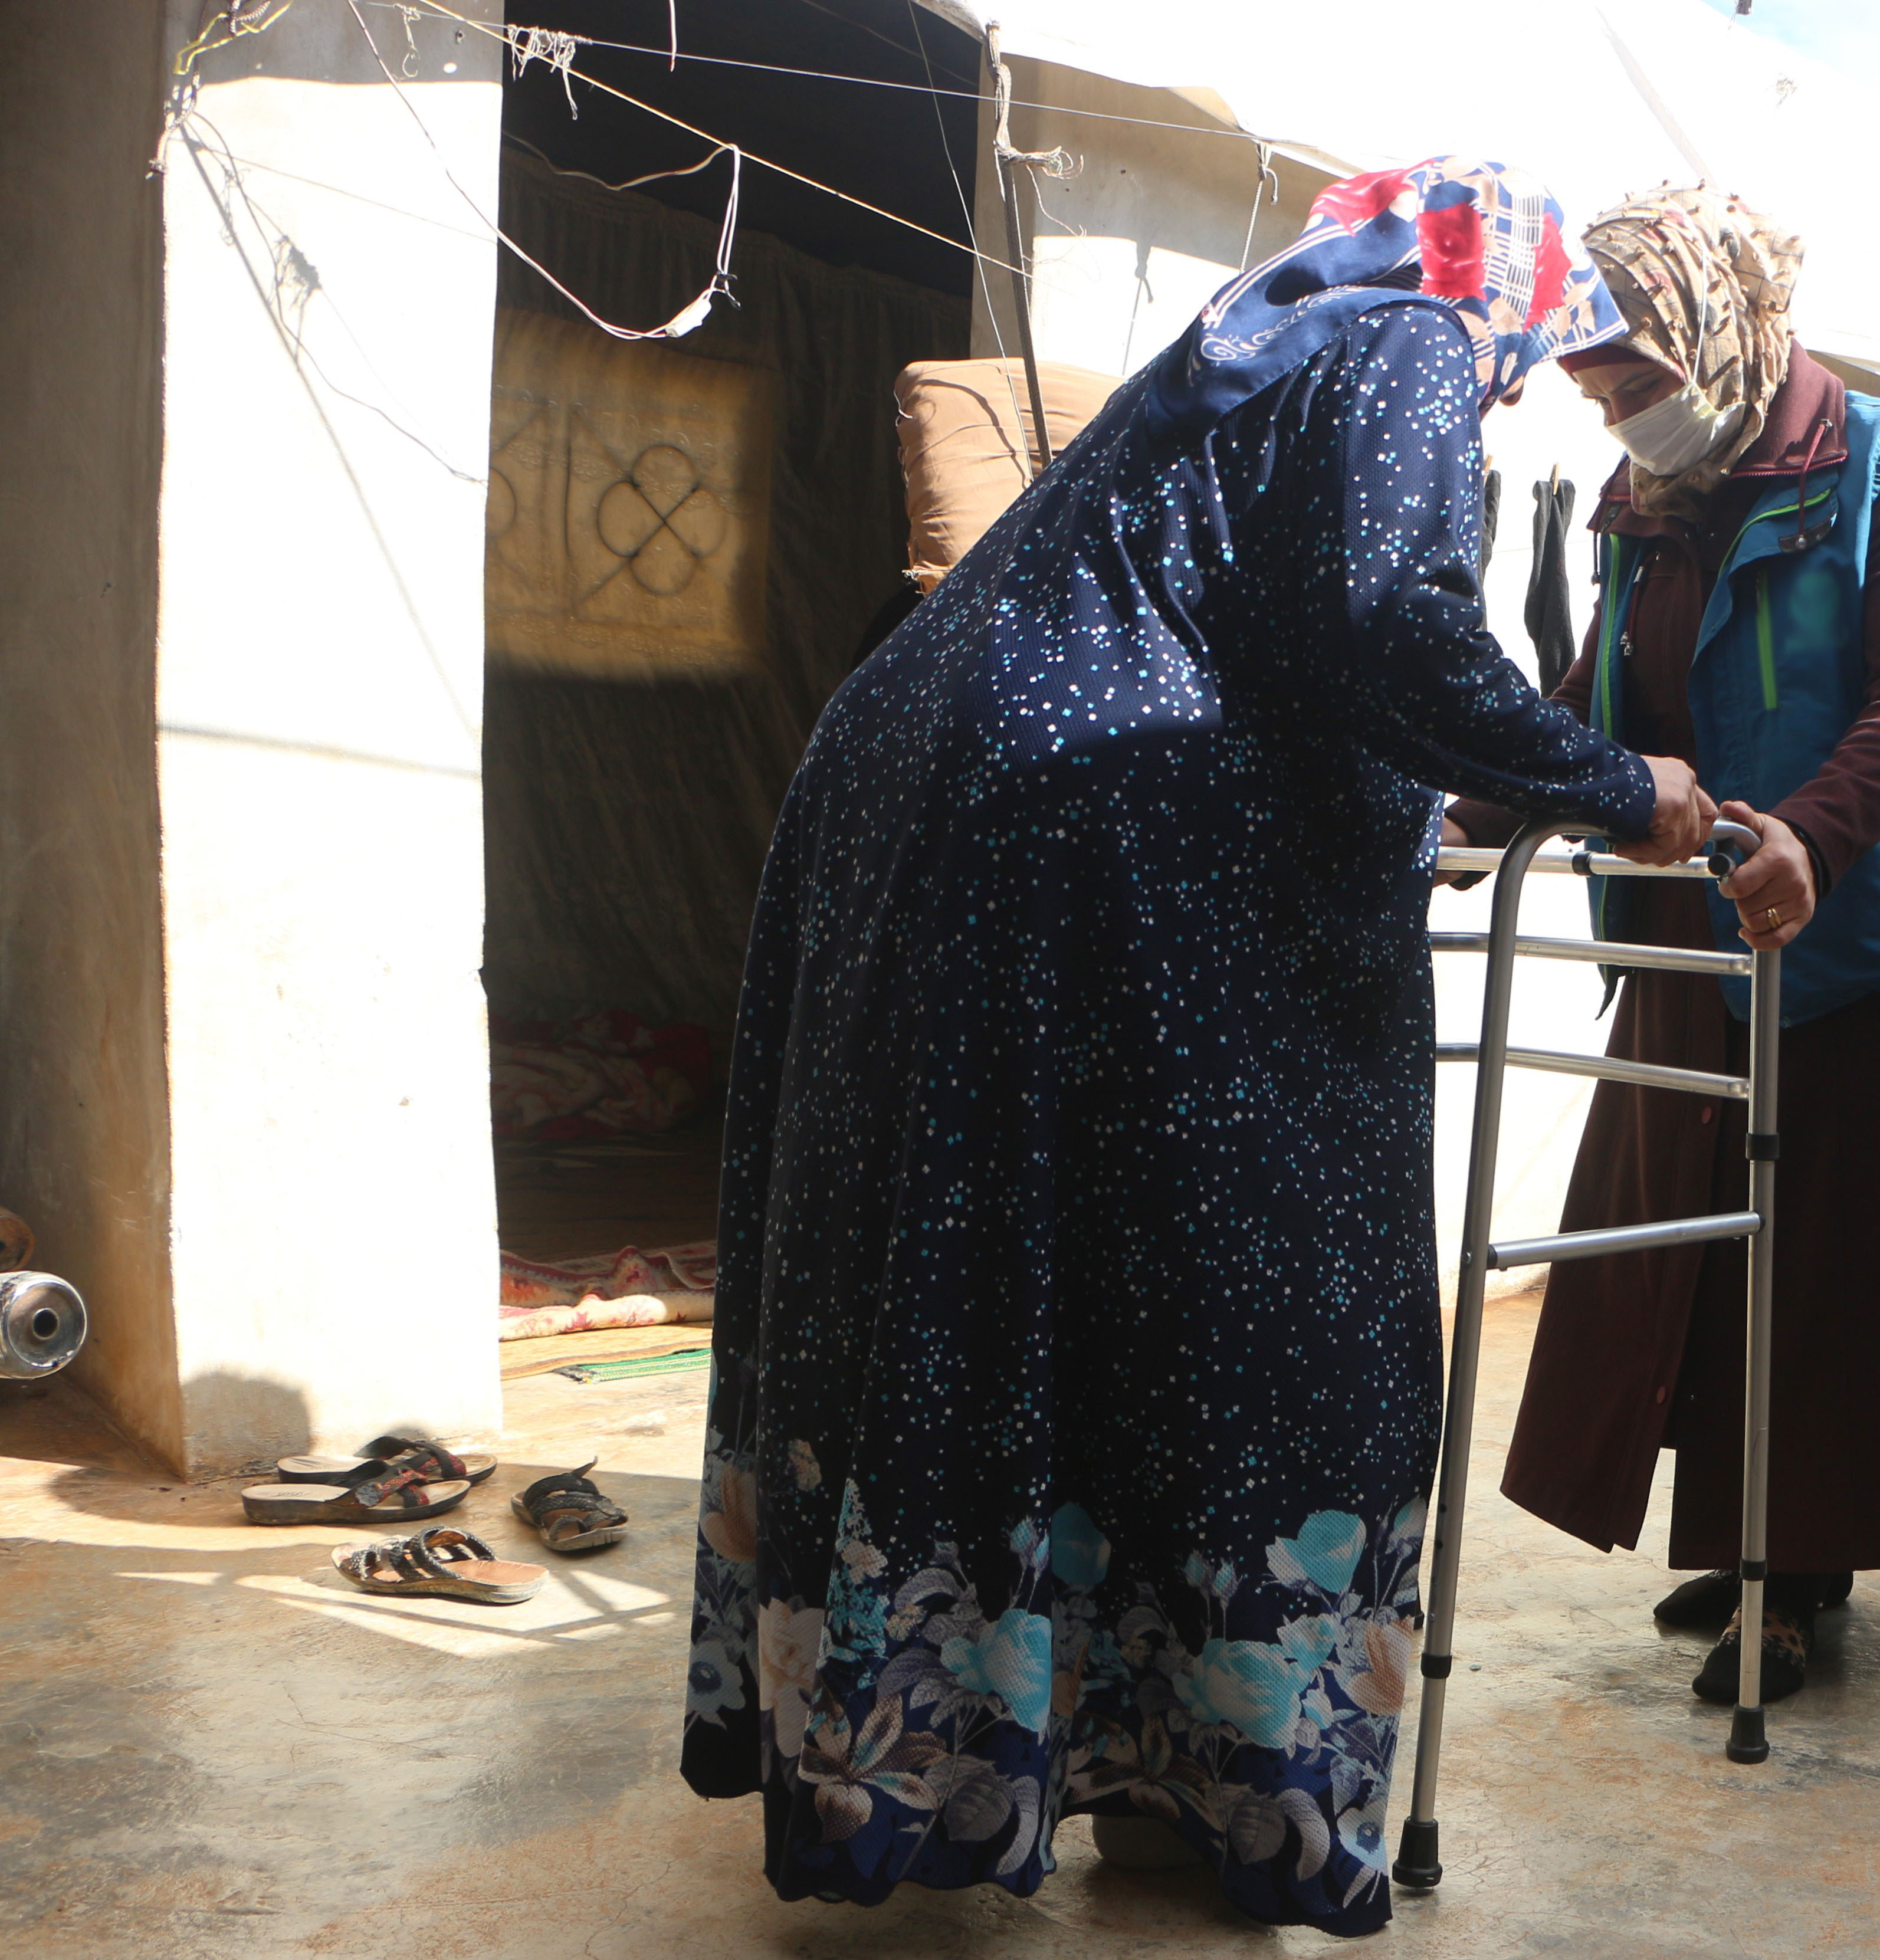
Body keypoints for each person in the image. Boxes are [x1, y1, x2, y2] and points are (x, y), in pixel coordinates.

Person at [679, 158, 1714, 1938]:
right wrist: (1630, 789)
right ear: (1511, 289)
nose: (1534, 382)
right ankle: (1229, 1779)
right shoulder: (1408, 339)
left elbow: (1302, 625)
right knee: (1270, 1297)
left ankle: (966, 1758)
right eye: (1552, 353)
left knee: (1008, 1281)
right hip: (1074, 827)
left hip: (935, 792)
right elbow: (1391, 620)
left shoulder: (1258, 352)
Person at [1445, 185, 1880, 1703]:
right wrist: (1473, 805)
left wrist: (1811, 838)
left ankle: (1792, 1575)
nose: (1615, 413)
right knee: (1690, 1247)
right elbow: (1589, 692)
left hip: (1858, 924)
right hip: (1696, 930)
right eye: (1590, 386)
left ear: (1714, 325)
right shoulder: (1649, 498)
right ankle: (1740, 1532)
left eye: (1631, 378)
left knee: (1829, 1258)